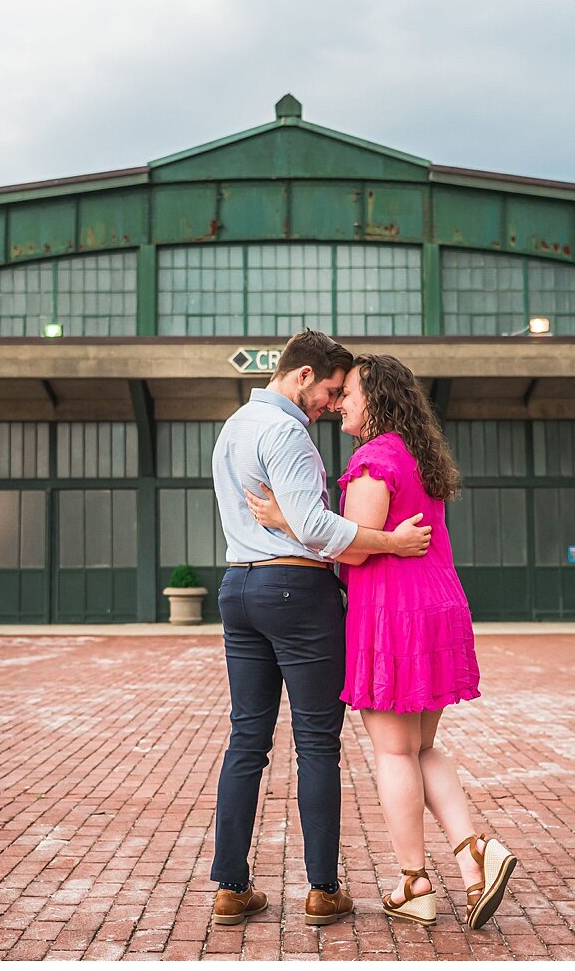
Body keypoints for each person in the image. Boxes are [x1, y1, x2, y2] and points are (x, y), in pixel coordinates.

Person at [248, 353, 517, 929]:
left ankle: (414, 882)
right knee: (422, 747)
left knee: (395, 752)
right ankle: (474, 857)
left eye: (349, 393)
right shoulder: (419, 455)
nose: (339, 402)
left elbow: (352, 547)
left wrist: (283, 520)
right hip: (438, 605)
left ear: (376, 401)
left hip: (393, 613)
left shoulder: (374, 460)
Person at [208, 329, 434, 929]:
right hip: (296, 593)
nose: (334, 404)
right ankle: (322, 890)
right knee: (315, 745)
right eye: (331, 390)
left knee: (246, 741)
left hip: (238, 588)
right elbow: (313, 527)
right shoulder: (287, 432)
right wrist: (392, 542)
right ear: (302, 375)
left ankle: (230, 887)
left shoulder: (234, 426)